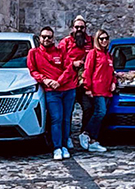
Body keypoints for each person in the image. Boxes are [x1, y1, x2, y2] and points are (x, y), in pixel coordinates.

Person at [27, 26, 77, 160]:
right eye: (44, 37)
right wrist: (46, 80)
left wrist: (59, 82)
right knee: (56, 118)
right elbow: (33, 71)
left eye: (49, 37)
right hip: (52, 91)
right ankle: (57, 147)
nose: (47, 39)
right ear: (40, 38)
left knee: (66, 119)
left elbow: (69, 69)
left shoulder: (61, 51)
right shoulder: (34, 53)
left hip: (67, 89)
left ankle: (65, 145)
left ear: (53, 38)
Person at [60, 16, 92, 149]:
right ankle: (66, 136)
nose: (79, 30)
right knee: (68, 111)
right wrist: (73, 63)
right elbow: (59, 60)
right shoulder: (65, 43)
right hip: (70, 82)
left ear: (85, 28)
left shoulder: (90, 41)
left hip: (85, 82)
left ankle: (84, 134)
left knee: (88, 108)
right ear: (72, 28)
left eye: (81, 27)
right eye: (77, 27)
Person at [82, 29, 115, 153]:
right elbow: (87, 71)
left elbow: (112, 72)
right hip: (97, 89)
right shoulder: (93, 53)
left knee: (102, 114)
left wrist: (113, 82)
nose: (104, 41)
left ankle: (93, 140)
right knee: (100, 112)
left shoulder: (108, 55)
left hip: (107, 90)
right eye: (101, 38)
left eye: (106, 38)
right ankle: (86, 133)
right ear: (97, 40)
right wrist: (88, 87)